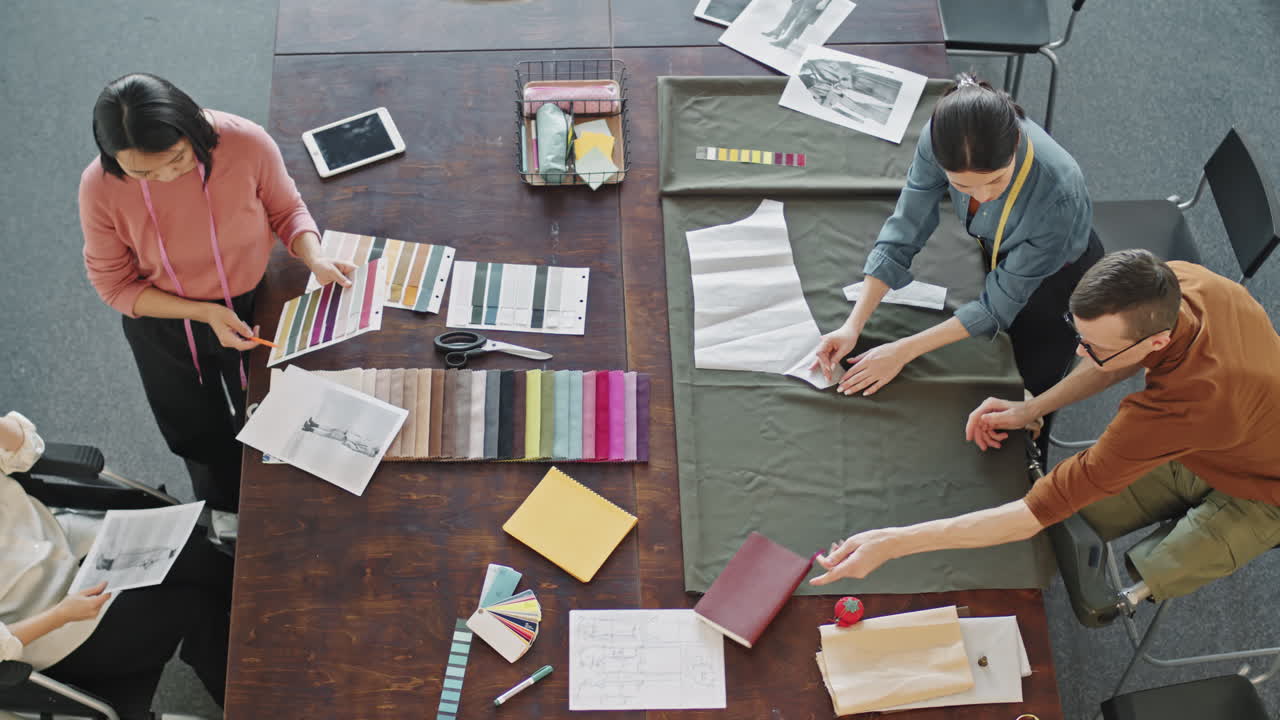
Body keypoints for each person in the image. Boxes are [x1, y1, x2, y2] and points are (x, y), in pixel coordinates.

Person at [810, 251, 1280, 604]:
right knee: (1082, 522)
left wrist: (892, 543)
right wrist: (1029, 408)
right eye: (1080, 335)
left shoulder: (1185, 408)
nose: (1079, 352)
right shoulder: (1180, 284)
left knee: (1127, 574)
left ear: (1157, 338)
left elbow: (1037, 511)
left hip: (1265, 489)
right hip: (1236, 430)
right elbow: (1115, 358)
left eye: (1092, 346)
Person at [80, 73, 355, 513]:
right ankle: (227, 518)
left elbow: (287, 211)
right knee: (197, 434)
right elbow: (114, 285)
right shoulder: (99, 186)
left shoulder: (246, 143)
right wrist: (204, 314)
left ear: (192, 130)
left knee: (277, 409)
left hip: (252, 298)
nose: (166, 177)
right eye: (143, 172)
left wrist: (315, 257)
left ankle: (284, 509)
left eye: (176, 159)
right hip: (165, 319)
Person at [811, 74, 1103, 455]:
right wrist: (854, 324)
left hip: (1059, 280)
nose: (982, 196)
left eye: (996, 182)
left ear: (1015, 141)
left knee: (1021, 402)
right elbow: (905, 229)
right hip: (996, 249)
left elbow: (996, 307)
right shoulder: (939, 137)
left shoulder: (1056, 196)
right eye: (962, 187)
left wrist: (901, 351)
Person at [0, 410, 233, 719]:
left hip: (69, 540)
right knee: (194, 607)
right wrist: (61, 615)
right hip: (56, 622)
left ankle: (276, 622)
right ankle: (259, 695)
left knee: (201, 554)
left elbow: (27, 451)